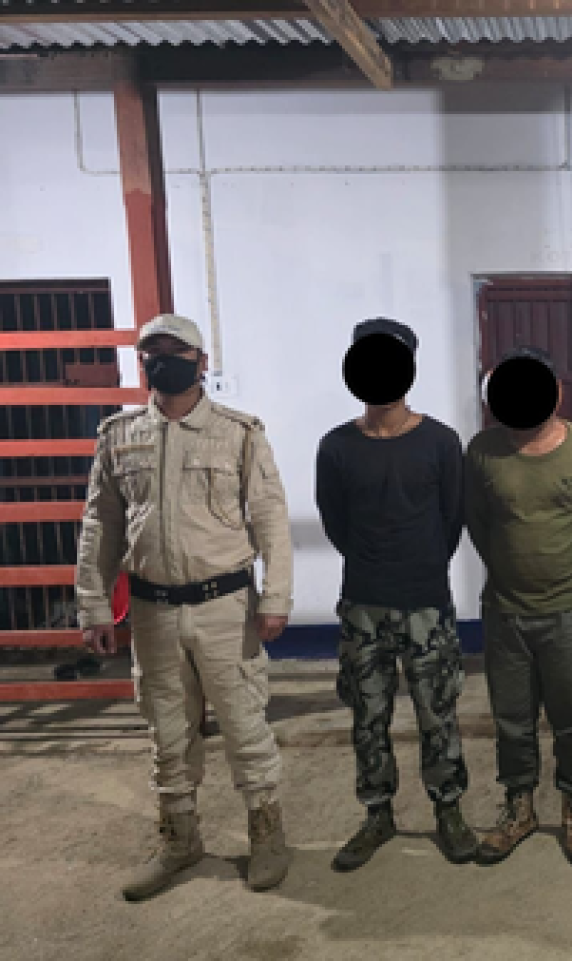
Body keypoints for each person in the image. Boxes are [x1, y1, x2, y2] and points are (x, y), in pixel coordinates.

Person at [76, 313, 294, 901]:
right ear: (142, 362)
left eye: (177, 352)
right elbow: (101, 524)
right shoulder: (118, 435)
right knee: (167, 732)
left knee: (245, 725)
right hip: (153, 614)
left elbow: (270, 519)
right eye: (153, 352)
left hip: (226, 608)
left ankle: (267, 834)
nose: (163, 361)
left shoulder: (238, 433)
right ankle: (180, 840)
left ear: (201, 362)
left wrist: (276, 598)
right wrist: (93, 604)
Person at [316, 318, 477, 872]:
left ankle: (448, 809)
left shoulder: (440, 443)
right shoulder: (336, 447)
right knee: (368, 715)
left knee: (438, 713)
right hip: (363, 603)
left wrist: (420, 564)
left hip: (426, 602)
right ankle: (377, 813)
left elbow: (453, 519)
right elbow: (336, 524)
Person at [464, 346, 572, 868]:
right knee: (512, 719)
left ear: (557, 391)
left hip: (570, 609)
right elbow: (479, 525)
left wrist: (571, 577)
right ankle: (519, 808)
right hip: (505, 611)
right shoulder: (483, 451)